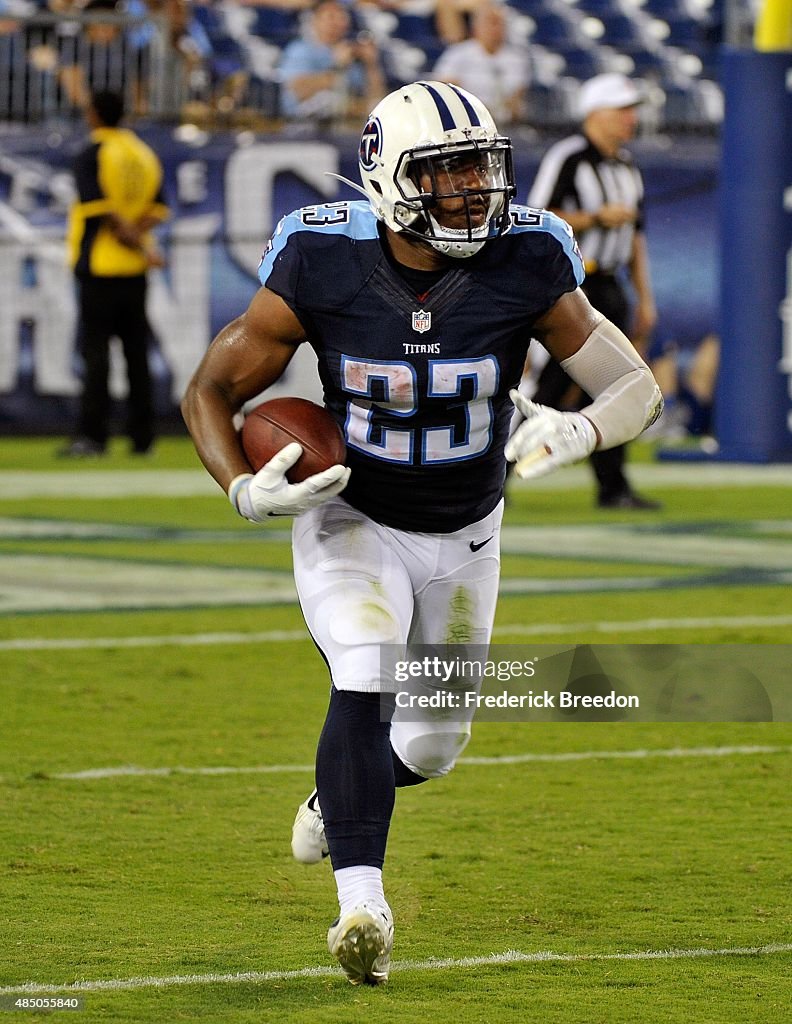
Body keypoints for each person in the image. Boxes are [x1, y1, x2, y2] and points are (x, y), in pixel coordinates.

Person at [181, 80, 662, 985]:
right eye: (446, 177)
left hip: (469, 527)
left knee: (433, 747)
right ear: (390, 180)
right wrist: (243, 488)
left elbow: (636, 388)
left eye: (481, 170)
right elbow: (210, 390)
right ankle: (363, 903)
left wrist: (582, 429)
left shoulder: (528, 257)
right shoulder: (322, 258)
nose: (472, 194)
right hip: (352, 512)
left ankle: (340, 794)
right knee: (364, 663)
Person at [527, 72, 661, 509]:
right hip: (573, 283)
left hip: (611, 282)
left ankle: (613, 485)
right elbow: (537, 214)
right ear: (595, 113)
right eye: (622, 110)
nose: (631, 119)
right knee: (551, 386)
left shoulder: (627, 165)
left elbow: (637, 237)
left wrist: (645, 297)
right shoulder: (569, 156)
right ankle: (499, 477)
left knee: (618, 385)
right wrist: (594, 218)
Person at [60, 89, 169, 457]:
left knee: (96, 357)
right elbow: (158, 207)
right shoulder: (142, 153)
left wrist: (131, 240)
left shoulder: (92, 152)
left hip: (100, 267)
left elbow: (100, 210)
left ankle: (93, 437)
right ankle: (143, 438)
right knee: (136, 356)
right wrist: (143, 244)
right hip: (135, 273)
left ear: (93, 113)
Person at [278, 0, 385, 124]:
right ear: (315, 21)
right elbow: (298, 90)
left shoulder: (351, 52)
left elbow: (377, 98)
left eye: (342, 17)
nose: (337, 23)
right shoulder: (300, 49)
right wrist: (338, 66)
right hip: (303, 125)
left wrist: (371, 64)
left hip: (348, 124)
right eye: (331, 17)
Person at [432, 2, 529, 125]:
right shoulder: (458, 53)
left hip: (505, 121)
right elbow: (444, 86)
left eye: (500, 23)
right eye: (491, 23)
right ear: (476, 27)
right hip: (468, 119)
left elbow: (517, 96)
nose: (495, 29)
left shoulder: (517, 58)